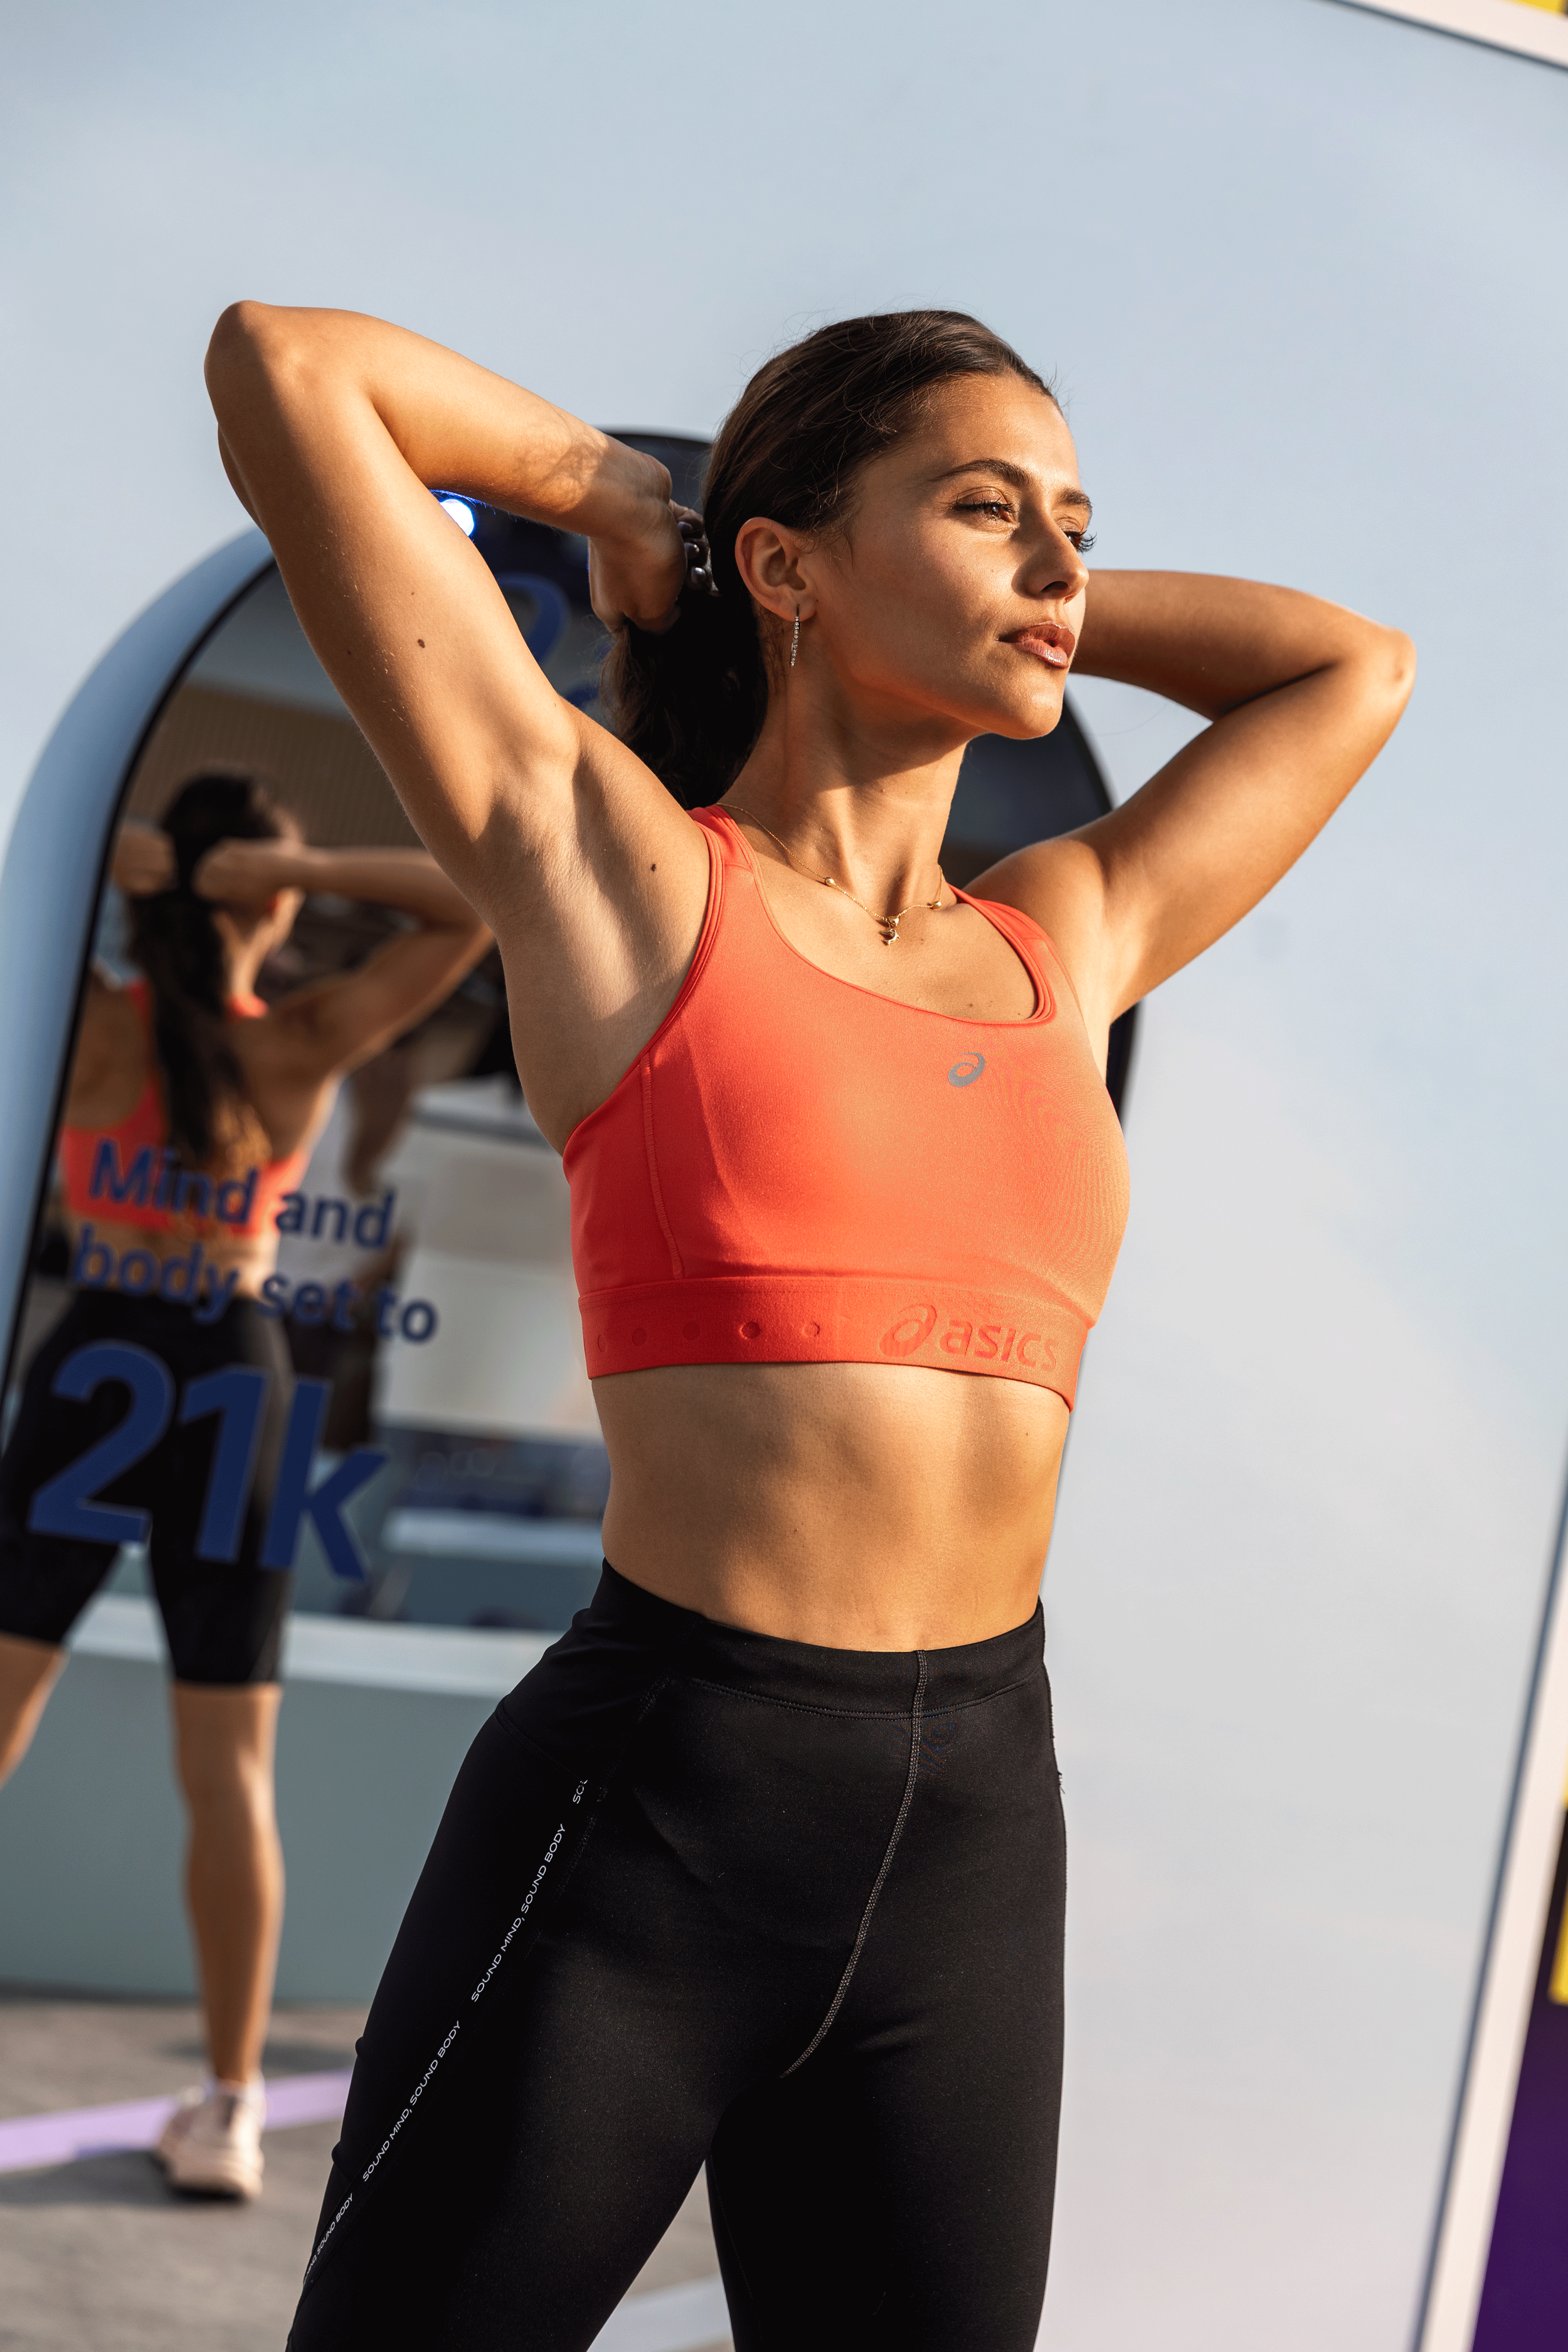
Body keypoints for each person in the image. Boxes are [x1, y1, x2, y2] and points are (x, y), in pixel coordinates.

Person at [203, 304, 1413, 2348]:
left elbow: (1349, 668)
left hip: (975, 1832)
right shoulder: (618, 877)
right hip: (658, 1815)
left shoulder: (1067, 936)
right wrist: (640, 509)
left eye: (1078, 522)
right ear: (787, 562)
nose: (1059, 559)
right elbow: (286, 370)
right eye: (986, 507)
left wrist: (1007, 599)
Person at [0, 774, 491, 2198]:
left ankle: (224, 2102)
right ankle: (227, 2108)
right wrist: (296, 868)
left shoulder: (97, 1023)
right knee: (231, 1768)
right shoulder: (304, 1038)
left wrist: (143, 859)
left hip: (99, 1363)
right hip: (232, 1368)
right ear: (263, 900)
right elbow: (470, 902)